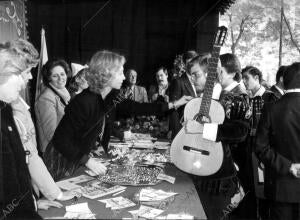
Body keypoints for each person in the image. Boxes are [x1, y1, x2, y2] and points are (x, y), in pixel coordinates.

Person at [43, 50, 191, 181]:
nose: (123, 77)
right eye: (120, 72)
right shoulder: (84, 101)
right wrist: (88, 161)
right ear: (106, 73)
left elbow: (137, 107)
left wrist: (174, 104)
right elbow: (61, 140)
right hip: (62, 161)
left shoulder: (111, 96)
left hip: (78, 158)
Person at [0, 40, 63, 219]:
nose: (29, 78)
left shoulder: (5, 109)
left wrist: (32, 203)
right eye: (25, 73)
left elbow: (16, 176)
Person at [184, 54, 250, 220]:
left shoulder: (237, 97)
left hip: (221, 178)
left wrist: (202, 128)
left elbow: (240, 132)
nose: (192, 79)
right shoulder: (211, 97)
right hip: (204, 169)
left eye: (196, 74)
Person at [255, 62, 300, 220]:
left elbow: (260, 148)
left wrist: (289, 166)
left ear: (284, 81)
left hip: (280, 187)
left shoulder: (271, 108)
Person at [239, 66, 277, 219]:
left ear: (256, 77)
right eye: (243, 78)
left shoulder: (270, 97)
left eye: (246, 78)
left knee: (262, 191)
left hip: (263, 153)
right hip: (248, 151)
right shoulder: (246, 98)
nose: (244, 82)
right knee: (250, 188)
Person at [35, 59, 71, 153]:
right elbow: (52, 134)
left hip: (65, 148)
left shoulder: (64, 93)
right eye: (55, 76)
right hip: (54, 153)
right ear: (49, 78)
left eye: (62, 74)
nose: (60, 78)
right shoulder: (46, 98)